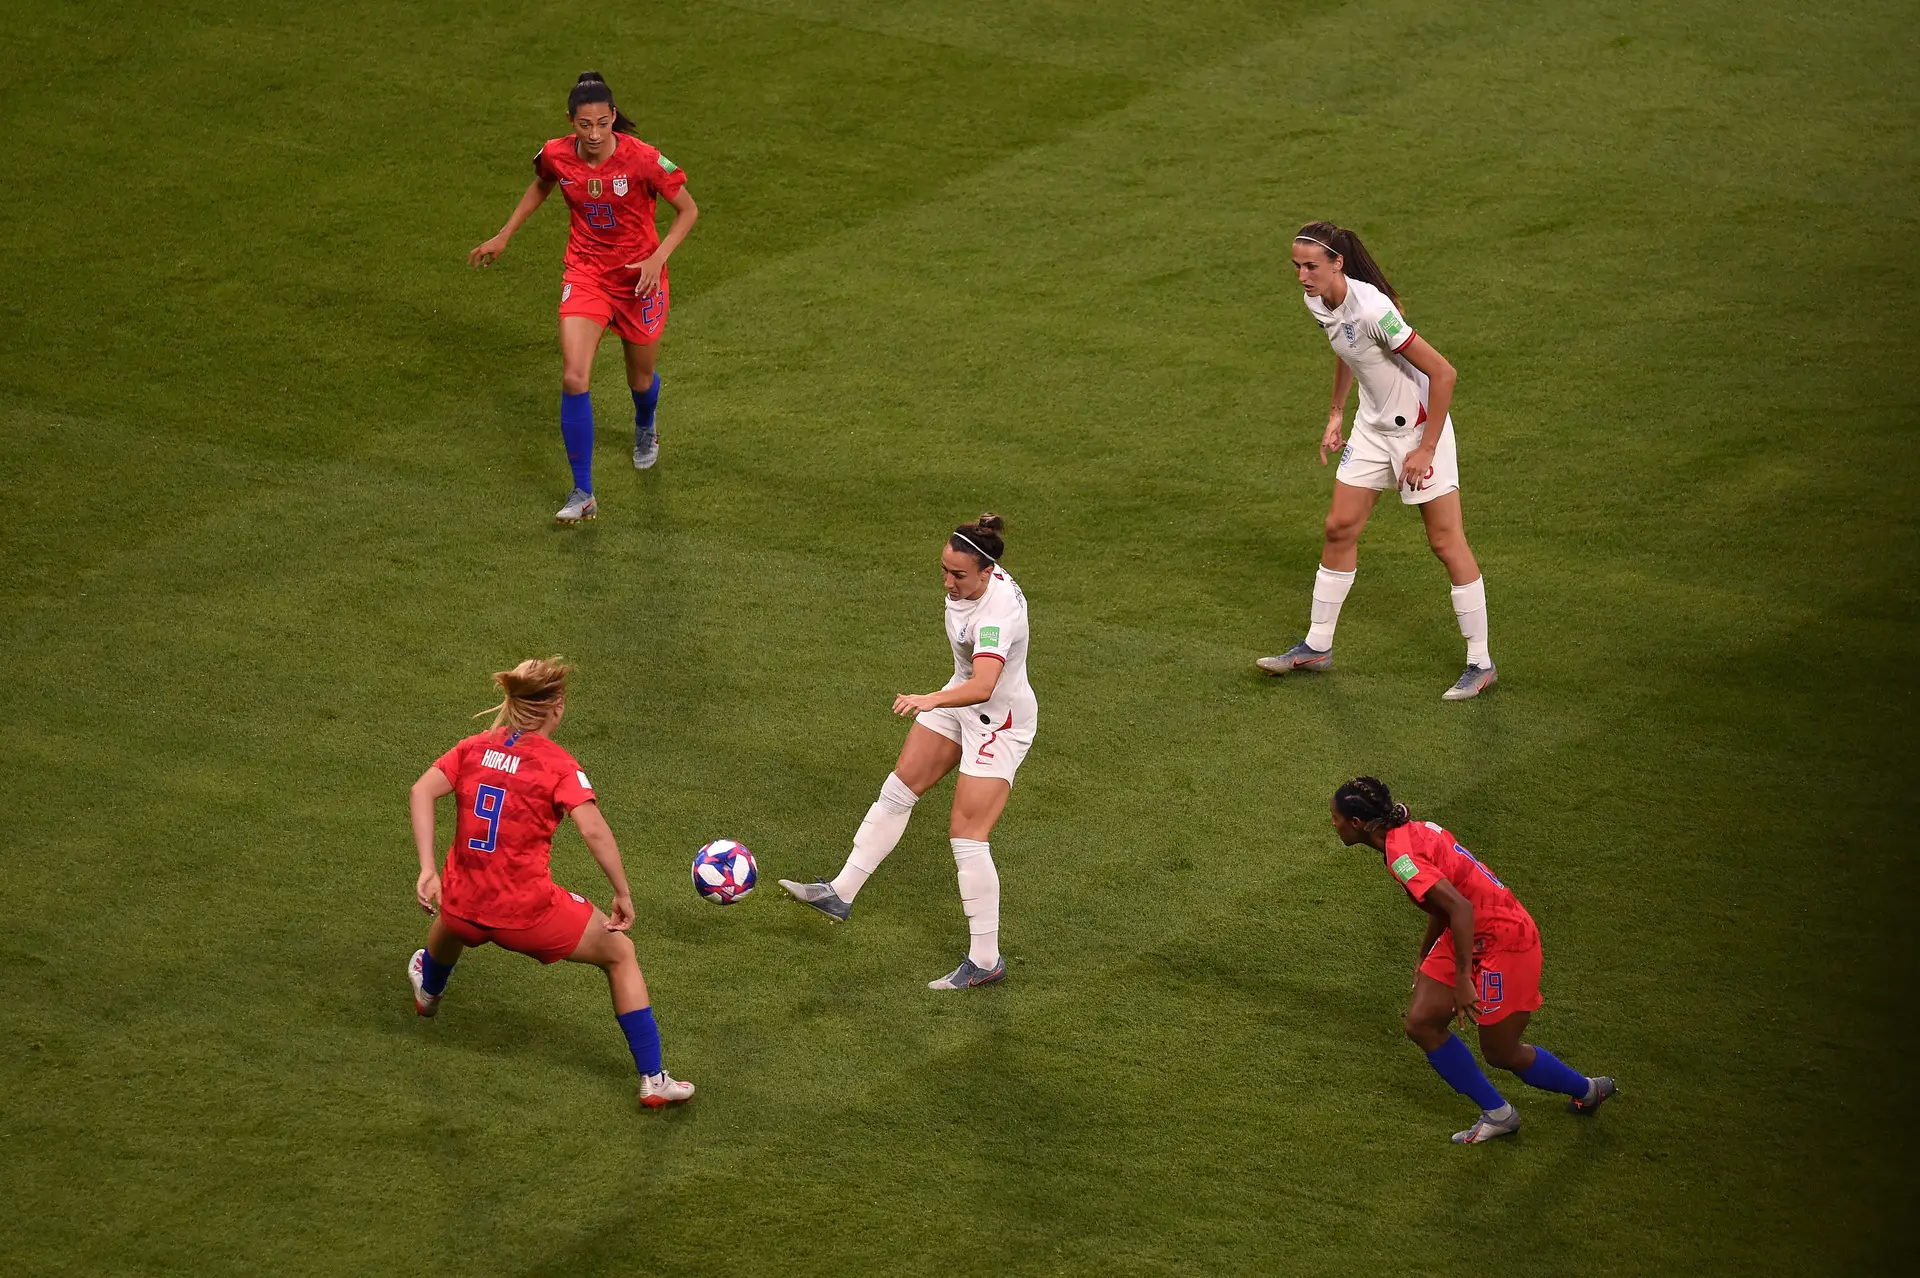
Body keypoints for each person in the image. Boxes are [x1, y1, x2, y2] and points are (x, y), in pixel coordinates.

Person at [405, 657, 693, 1109]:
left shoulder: (473, 748)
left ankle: (431, 987)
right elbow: (593, 830)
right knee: (620, 954)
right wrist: (622, 892)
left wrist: (427, 869)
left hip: (460, 910)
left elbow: (421, 790)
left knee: (457, 911)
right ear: (556, 707)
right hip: (526, 917)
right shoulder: (558, 765)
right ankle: (653, 1079)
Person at [778, 514, 1036, 990]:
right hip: (960, 697)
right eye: (944, 570)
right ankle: (840, 893)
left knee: (967, 833)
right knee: (901, 785)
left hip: (998, 721)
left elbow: (984, 684)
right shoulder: (973, 581)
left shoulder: (998, 612)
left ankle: (986, 960)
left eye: (958, 575)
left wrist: (930, 699)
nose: (947, 581)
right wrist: (941, 699)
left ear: (986, 573)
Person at [1258, 222, 1495, 699]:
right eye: (1297, 266)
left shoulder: (1375, 310)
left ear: (1337, 263)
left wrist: (1425, 449)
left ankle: (1480, 661)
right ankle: (1317, 646)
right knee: (1339, 526)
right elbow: (1347, 350)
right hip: (1371, 427)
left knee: (1445, 541)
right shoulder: (1317, 301)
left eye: (1311, 266)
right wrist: (1335, 414)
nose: (1302, 276)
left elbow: (1444, 373)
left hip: (1418, 429)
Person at [1329, 776, 1615, 1143]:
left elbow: (1460, 907)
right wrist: (1424, 953)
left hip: (1505, 940)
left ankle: (1588, 1090)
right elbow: (1446, 902)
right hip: (1468, 933)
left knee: (1500, 1051)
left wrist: (1464, 978)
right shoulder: (1408, 832)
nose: (1333, 824)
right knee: (1421, 1023)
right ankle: (1499, 1113)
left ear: (1356, 823)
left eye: (1335, 817)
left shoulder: (1401, 858)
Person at [468, 72, 700, 523]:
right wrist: (504, 235)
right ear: (570, 122)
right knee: (574, 376)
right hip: (586, 274)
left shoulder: (645, 159)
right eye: (583, 124)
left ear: (613, 117)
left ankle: (645, 426)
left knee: (640, 381)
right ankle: (584, 492)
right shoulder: (555, 154)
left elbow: (688, 210)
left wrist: (657, 258)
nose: (593, 134)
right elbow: (542, 183)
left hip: (639, 280)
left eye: (601, 123)